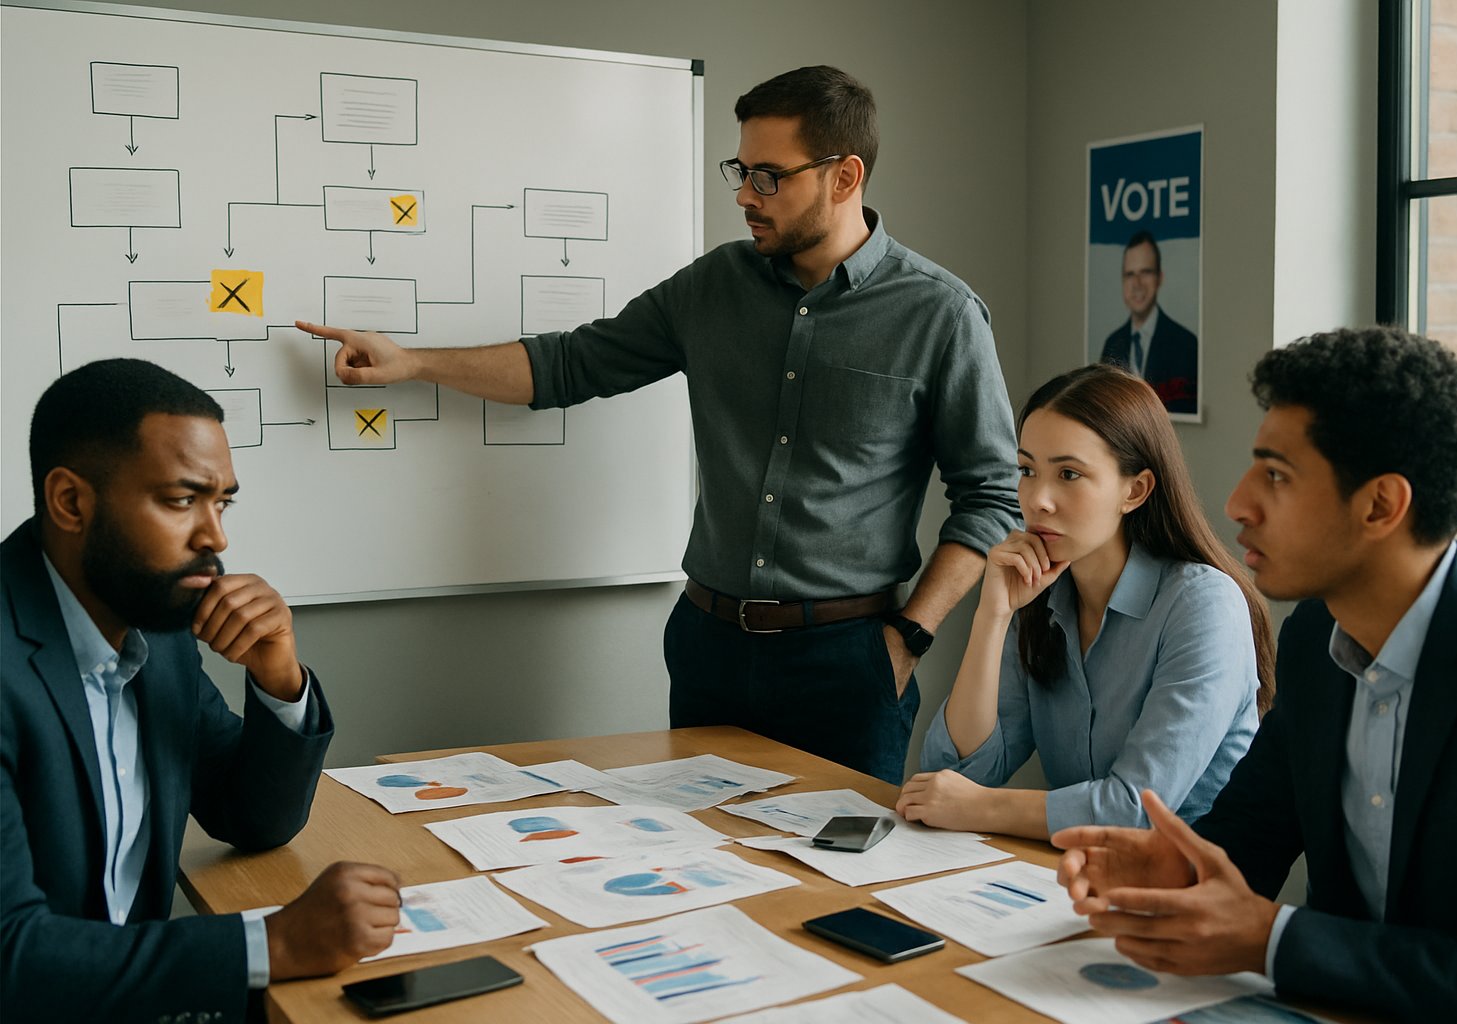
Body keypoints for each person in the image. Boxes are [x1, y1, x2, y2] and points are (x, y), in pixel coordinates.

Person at [296, 66, 1018, 784]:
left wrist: (909, 637)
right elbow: (570, 364)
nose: (743, 195)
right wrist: (411, 362)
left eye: (768, 177)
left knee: (832, 882)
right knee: (696, 867)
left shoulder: (940, 315)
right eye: (740, 170)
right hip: (709, 649)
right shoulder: (712, 287)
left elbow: (990, 495)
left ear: (843, 176)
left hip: (848, 661)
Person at [1055, 327, 1457, 1021]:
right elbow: (1248, 838)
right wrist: (1175, 872)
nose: (1237, 503)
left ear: (1380, 506)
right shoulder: (1316, 636)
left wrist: (1270, 938)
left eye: (1276, 474)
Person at [1, 359, 403, 1024]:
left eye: (222, 503)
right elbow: (13, 957)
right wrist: (273, 943)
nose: (216, 537)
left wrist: (279, 677)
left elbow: (252, 818)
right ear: (71, 501)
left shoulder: (157, 637)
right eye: (182, 501)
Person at [896, 364, 1272, 839]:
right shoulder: (1040, 589)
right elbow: (956, 774)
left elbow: (1136, 809)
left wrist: (983, 809)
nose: (1037, 500)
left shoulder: (1204, 605)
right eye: (1027, 470)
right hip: (1072, 877)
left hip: (1190, 893)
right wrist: (993, 615)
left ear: (1134, 491)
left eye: (1068, 474)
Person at [1099, 230, 1198, 415]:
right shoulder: (1112, 343)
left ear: (1159, 278)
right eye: (1130, 274)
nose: (1137, 283)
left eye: (1145, 272)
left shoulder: (1186, 344)